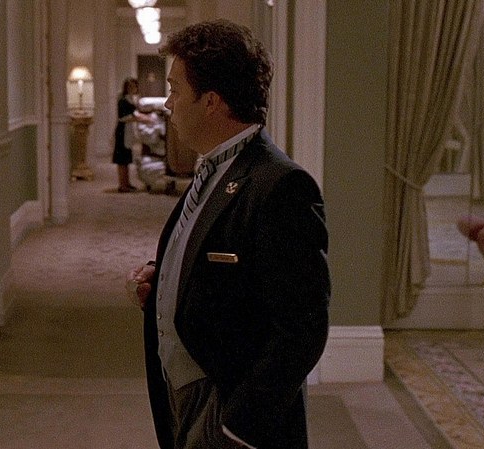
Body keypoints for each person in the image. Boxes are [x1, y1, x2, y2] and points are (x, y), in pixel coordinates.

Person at [126, 20, 330, 449]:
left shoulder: (281, 186)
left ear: (211, 102)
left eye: (176, 90)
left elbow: (302, 329)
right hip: (184, 392)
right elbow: (224, 253)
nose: (168, 103)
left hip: (226, 403)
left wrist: (238, 430)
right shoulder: (215, 168)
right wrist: (167, 277)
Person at [113, 77, 152, 192]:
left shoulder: (130, 99)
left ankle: (127, 183)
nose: (133, 88)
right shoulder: (122, 100)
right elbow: (124, 117)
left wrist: (144, 118)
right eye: (130, 86)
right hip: (122, 131)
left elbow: (135, 114)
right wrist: (141, 119)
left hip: (127, 131)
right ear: (126, 88)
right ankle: (122, 185)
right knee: (122, 160)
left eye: (134, 86)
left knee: (127, 159)